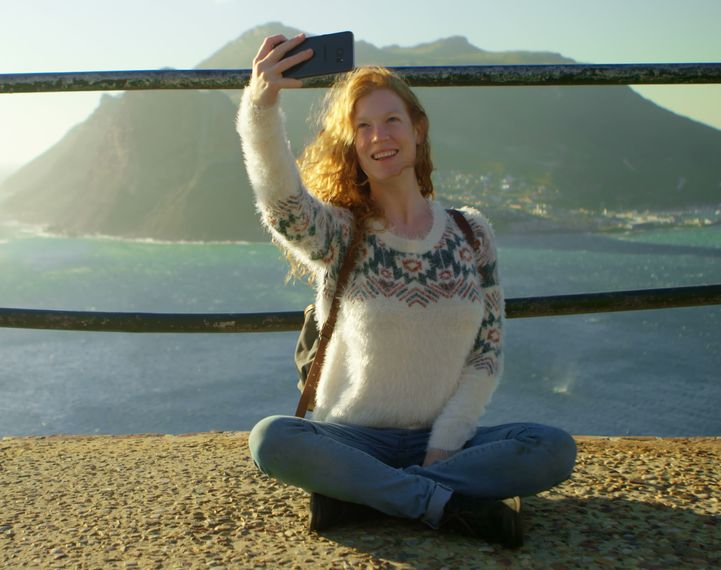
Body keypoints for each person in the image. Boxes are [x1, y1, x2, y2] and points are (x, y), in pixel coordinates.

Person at [238, 33, 576, 548]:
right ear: (353, 144)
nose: (379, 136)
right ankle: (438, 502)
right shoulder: (341, 233)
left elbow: (487, 355)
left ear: (418, 129)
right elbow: (283, 206)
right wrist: (261, 107)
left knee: (551, 447)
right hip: (354, 439)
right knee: (271, 438)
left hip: (446, 443)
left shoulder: (472, 234)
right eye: (363, 126)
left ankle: (369, 495)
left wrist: (442, 447)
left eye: (391, 120)